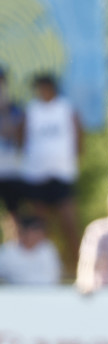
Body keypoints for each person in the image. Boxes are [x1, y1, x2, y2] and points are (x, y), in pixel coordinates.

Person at [20, 74, 83, 278]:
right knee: (40, 228)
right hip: (37, 175)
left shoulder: (65, 108)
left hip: (61, 175)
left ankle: (78, 269)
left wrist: (72, 161)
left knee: (69, 224)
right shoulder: (31, 110)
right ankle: (45, 272)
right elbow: (22, 137)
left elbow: (79, 135)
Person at [0, 215, 61, 285]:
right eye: (35, 231)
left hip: (47, 293)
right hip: (17, 293)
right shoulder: (7, 251)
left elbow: (54, 275)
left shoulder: (48, 249)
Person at [0, 67, 24, 240]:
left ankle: (13, 247)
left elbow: (18, 136)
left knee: (13, 215)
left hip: (12, 171)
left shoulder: (15, 109)